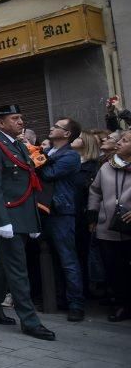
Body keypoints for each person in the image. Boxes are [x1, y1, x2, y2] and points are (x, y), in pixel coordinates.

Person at [0, 105, 55, 341]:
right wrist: (1, 220)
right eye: (15, 118)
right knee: (18, 270)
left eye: (21, 117)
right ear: (1, 123)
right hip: (8, 217)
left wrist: (32, 221)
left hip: (21, 216)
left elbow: (28, 183)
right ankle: (30, 321)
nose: (21, 121)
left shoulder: (18, 145)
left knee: (5, 265)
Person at [39, 117, 85, 321]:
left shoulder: (71, 156)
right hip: (44, 210)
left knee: (67, 259)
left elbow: (48, 173)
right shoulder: (48, 152)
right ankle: (56, 297)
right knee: (49, 257)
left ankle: (76, 304)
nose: (52, 127)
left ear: (67, 134)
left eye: (57, 126)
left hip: (61, 212)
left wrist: (36, 163)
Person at [88, 130, 131, 322]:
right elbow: (95, 191)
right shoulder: (106, 166)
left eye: (125, 140)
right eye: (120, 139)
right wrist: (93, 214)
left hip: (129, 227)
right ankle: (122, 303)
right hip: (107, 226)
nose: (119, 143)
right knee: (114, 268)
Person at [72, 131, 101, 298]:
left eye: (77, 137)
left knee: (82, 254)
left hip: (83, 216)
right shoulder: (69, 162)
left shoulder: (92, 167)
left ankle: (85, 290)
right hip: (71, 213)